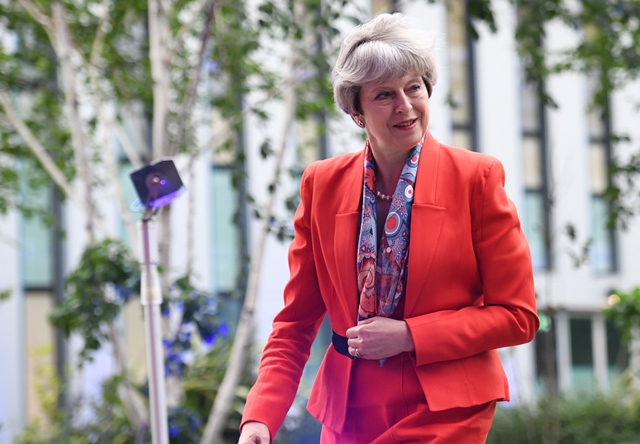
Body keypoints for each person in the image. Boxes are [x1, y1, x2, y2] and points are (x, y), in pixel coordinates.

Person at [238, 12, 539, 444]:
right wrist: (259, 418)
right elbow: (295, 324)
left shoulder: (477, 177)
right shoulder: (320, 184)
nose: (405, 105)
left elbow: (518, 316)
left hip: (446, 409)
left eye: (413, 87)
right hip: (348, 412)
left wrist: (410, 336)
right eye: (383, 94)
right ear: (356, 111)